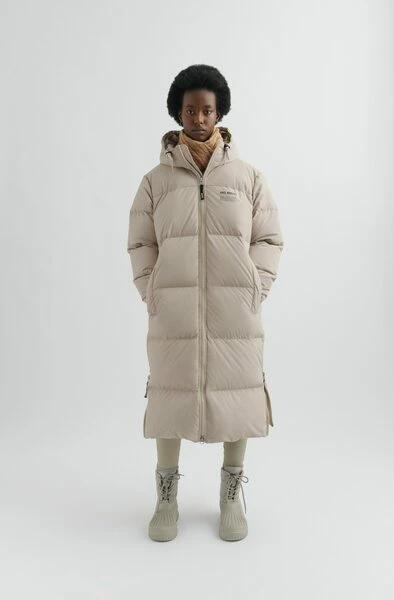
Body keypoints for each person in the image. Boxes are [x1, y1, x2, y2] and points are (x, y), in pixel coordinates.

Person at [127, 64, 284, 542]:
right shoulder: (155, 181)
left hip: (236, 311)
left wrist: (256, 285)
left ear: (220, 113)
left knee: (238, 394)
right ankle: (166, 495)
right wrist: (152, 290)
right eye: (191, 109)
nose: (199, 118)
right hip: (173, 312)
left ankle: (231, 492)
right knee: (169, 395)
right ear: (178, 112)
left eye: (208, 110)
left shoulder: (248, 177)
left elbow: (268, 237)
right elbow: (141, 243)